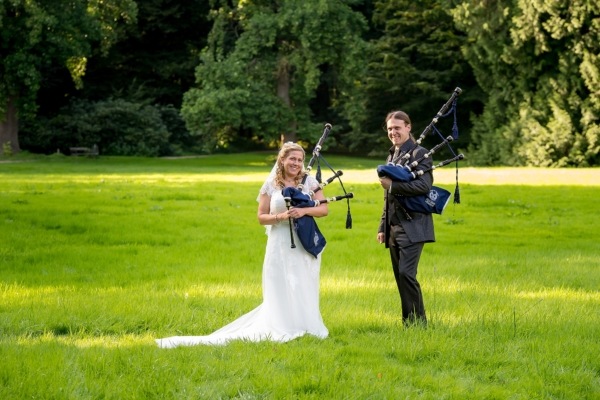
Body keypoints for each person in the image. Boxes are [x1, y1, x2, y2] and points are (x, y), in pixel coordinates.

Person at [156, 142, 329, 348]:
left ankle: (305, 325)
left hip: (303, 241)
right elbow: (261, 217)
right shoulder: (271, 184)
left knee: (302, 281)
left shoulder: (309, 181)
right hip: (279, 243)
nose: (297, 163)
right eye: (292, 158)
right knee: (280, 282)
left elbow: (323, 209)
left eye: (300, 160)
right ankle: (282, 325)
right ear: (282, 159)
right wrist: (282, 216)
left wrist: (303, 211)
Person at [377, 111, 435, 327]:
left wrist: (393, 185)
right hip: (394, 226)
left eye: (397, 127)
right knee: (400, 277)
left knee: (406, 274)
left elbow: (424, 186)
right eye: (390, 128)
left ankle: (420, 324)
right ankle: (409, 323)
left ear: (408, 127)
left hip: (415, 223)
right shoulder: (392, 155)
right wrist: (383, 226)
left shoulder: (421, 153)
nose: (393, 132)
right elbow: (387, 196)